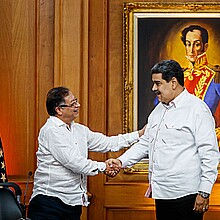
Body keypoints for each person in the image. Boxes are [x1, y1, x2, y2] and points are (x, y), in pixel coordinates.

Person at [107, 60, 219, 220]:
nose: (154, 88)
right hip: (161, 193)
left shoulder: (197, 110)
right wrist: (121, 162)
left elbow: (210, 154)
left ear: (173, 82)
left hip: (187, 196)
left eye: (157, 83)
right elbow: (146, 143)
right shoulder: (158, 110)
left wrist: (204, 191)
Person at [27, 86, 145, 220]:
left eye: (76, 101)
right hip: (49, 203)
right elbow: (74, 162)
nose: (78, 105)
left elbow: (107, 143)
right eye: (72, 104)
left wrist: (139, 134)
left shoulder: (79, 130)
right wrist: (104, 167)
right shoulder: (51, 130)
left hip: (73, 202)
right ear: (59, 110)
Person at [180, 24, 220, 145]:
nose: (191, 50)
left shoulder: (216, 76)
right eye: (188, 44)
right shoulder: (178, 76)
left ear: (205, 46)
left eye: (196, 44)